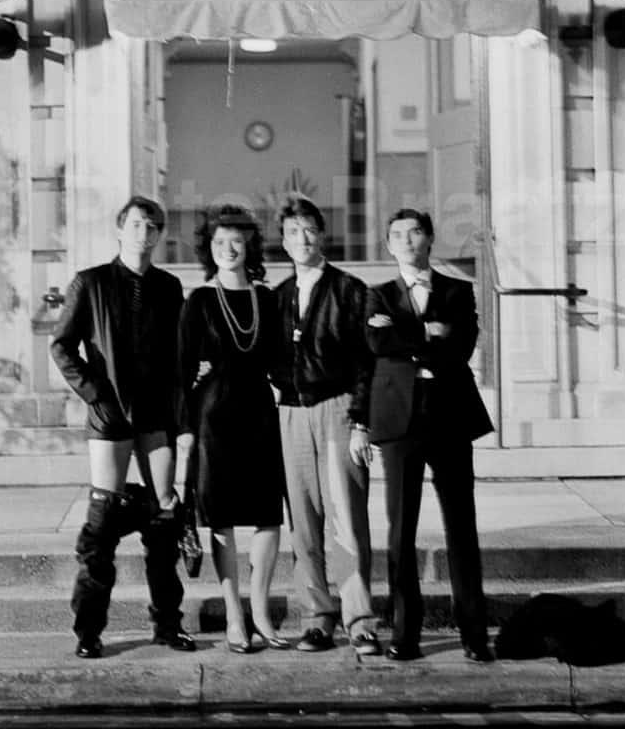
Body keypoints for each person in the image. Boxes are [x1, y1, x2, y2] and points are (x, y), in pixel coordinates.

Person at [50, 196, 195, 659]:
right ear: (120, 230)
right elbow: (62, 346)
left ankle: (168, 625)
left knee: (163, 519)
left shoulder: (169, 287)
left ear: (159, 235)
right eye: (136, 224)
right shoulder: (90, 283)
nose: (144, 232)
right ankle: (88, 631)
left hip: (156, 417)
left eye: (153, 225)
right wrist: (94, 391)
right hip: (110, 416)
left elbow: (177, 356)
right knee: (102, 522)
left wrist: (180, 412)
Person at [365, 208, 494, 662]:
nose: (406, 240)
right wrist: (425, 330)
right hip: (399, 422)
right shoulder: (377, 294)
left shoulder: (458, 290)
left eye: (415, 232)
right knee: (401, 530)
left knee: (461, 526)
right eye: (396, 234)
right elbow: (376, 346)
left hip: (451, 418)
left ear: (430, 239)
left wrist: (404, 336)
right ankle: (406, 633)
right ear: (387, 245)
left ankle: (474, 634)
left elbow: (460, 349)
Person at [270, 195, 379, 656]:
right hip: (292, 413)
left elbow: (366, 361)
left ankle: (360, 621)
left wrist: (360, 421)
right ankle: (316, 618)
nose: (302, 239)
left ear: (323, 234)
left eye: (310, 230)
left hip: (338, 409)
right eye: (293, 232)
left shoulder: (350, 290)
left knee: (346, 521)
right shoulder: (278, 296)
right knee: (304, 525)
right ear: (283, 240)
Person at [180, 203, 286, 654]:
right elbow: (182, 370)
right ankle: (235, 617)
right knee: (220, 519)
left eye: (236, 241)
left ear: (250, 246)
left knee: (267, 516)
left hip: (259, 413)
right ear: (210, 248)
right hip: (214, 417)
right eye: (219, 242)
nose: (228, 249)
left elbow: (282, 363)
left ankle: (261, 611)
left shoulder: (268, 299)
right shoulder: (199, 300)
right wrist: (183, 430)